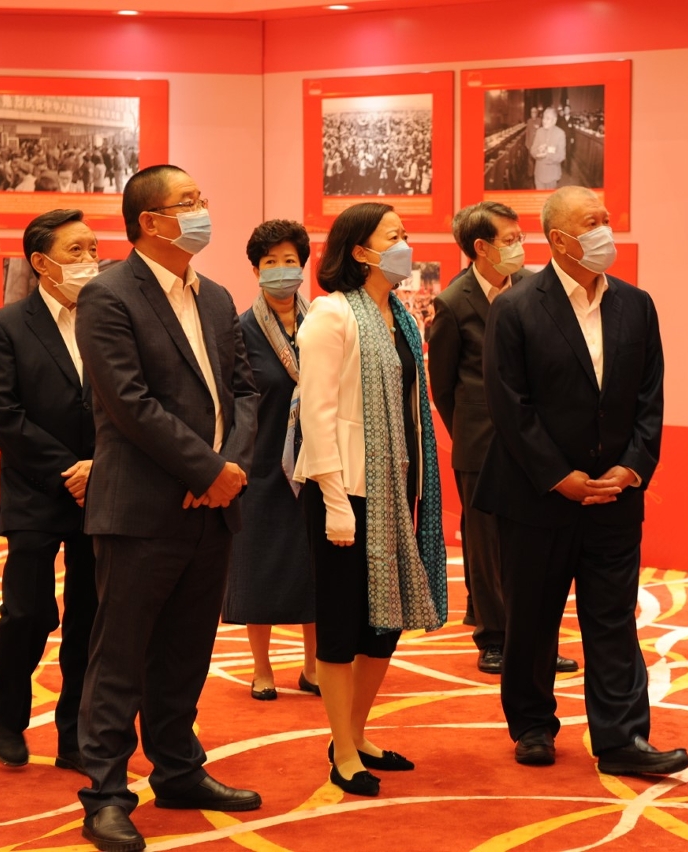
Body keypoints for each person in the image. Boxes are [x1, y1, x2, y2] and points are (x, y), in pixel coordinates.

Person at [74, 165, 261, 852]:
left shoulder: (216, 296)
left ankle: (178, 769)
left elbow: (246, 392)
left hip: (212, 507)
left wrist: (228, 470)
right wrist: (206, 469)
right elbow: (130, 404)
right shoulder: (108, 296)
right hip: (142, 509)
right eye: (189, 202)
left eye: (201, 198)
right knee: (120, 658)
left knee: (186, 651)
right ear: (150, 221)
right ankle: (105, 794)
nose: (203, 210)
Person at [475, 186, 688, 776]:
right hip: (536, 497)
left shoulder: (636, 305)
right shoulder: (516, 307)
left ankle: (622, 739)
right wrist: (558, 476)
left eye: (606, 219)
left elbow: (650, 397)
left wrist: (634, 466)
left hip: (614, 496)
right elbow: (509, 407)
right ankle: (532, 726)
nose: (605, 231)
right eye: (591, 223)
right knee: (532, 619)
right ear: (560, 239)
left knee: (613, 619)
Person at [294, 202, 448, 798]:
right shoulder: (331, 315)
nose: (406, 244)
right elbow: (317, 415)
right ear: (361, 251)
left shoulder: (402, 318)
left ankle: (355, 735)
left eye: (405, 234)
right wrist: (334, 500)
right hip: (347, 493)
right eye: (394, 236)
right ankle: (341, 749)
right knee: (342, 623)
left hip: (395, 490)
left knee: (385, 624)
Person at [427, 202, 580, 676]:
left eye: (519, 237)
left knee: (538, 547)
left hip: (538, 442)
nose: (520, 246)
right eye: (510, 239)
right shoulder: (453, 303)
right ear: (481, 247)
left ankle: (538, 641)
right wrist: (470, 430)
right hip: (480, 443)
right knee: (486, 548)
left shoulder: (537, 288)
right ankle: (494, 638)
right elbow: (443, 386)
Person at [0, 209, 100, 775]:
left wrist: (99, 467)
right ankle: (6, 715)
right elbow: (4, 415)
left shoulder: (108, 318)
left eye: (93, 249)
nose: (89, 260)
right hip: (35, 489)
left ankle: (75, 734)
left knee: (89, 618)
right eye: (76, 251)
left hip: (102, 488)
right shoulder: (5, 325)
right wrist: (67, 469)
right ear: (41, 262)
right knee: (28, 612)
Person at [222, 219, 320, 701]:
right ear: (256, 270)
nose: (281, 270)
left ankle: (313, 666)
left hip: (316, 466)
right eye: (270, 262)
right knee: (257, 569)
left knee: (314, 569)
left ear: (303, 267)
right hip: (261, 468)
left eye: (290, 261)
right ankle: (262, 668)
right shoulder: (240, 330)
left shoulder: (322, 324)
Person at [530, 108, 567, 190]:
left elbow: (562, 156)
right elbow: (532, 150)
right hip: (538, 173)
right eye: (543, 118)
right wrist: (538, 152)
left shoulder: (560, 134)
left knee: (550, 197)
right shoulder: (539, 131)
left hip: (552, 176)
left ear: (554, 120)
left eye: (548, 118)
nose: (544, 121)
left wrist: (547, 154)